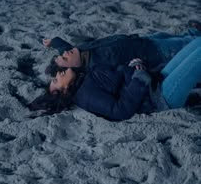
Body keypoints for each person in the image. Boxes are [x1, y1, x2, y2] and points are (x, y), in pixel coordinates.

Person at [28, 37, 201, 121]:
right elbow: (120, 111)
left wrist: (135, 66)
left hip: (156, 80)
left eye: (57, 75)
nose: (59, 74)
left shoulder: (83, 75)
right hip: (160, 97)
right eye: (57, 80)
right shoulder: (85, 96)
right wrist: (138, 79)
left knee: (197, 43)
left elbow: (72, 54)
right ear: (64, 91)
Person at [43, 20, 201, 76]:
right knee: (184, 44)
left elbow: (64, 48)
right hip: (155, 52)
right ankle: (195, 37)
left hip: (143, 40)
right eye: (64, 58)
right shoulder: (97, 66)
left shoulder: (80, 52)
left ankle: (194, 31)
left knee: (169, 36)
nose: (65, 52)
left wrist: (54, 42)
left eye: (61, 54)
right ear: (75, 69)